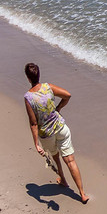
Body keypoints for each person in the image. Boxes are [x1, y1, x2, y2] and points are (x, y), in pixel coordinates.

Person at [23, 62, 89, 203]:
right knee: (70, 160)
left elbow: (34, 123)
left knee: (56, 157)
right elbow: (67, 95)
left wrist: (36, 144)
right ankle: (82, 194)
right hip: (60, 127)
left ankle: (63, 180)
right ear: (38, 74)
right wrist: (58, 108)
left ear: (28, 78)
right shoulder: (48, 87)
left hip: (46, 134)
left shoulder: (28, 98)